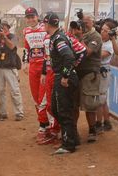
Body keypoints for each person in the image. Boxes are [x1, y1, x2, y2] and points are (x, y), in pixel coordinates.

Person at [45, 12, 78, 155]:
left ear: (47, 24)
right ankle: (72, 138)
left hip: (64, 78)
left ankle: (68, 144)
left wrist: (65, 75)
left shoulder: (58, 39)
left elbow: (69, 57)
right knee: (57, 109)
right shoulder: (57, 37)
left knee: (62, 110)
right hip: (62, 76)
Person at [22, 7, 50, 142]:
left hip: (45, 67)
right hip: (33, 67)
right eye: (28, 17)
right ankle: (44, 124)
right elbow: (26, 49)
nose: (31, 19)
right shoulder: (26, 31)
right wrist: (25, 63)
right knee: (36, 98)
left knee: (44, 97)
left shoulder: (46, 29)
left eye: (33, 17)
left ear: (37, 17)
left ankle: (44, 127)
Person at [76, 14, 103, 143]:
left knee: (90, 104)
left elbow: (87, 52)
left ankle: (92, 130)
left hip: (90, 73)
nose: (84, 25)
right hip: (77, 73)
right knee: (74, 103)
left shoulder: (95, 36)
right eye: (82, 22)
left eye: (86, 22)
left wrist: (79, 38)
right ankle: (73, 131)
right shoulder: (79, 35)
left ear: (92, 22)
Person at [0, 22, 24, 121]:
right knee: (0, 91)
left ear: (8, 28)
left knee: (15, 91)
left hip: (10, 67)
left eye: (4, 28)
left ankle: (19, 113)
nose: (2, 30)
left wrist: (4, 38)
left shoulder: (13, 36)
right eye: (0, 28)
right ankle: (3, 113)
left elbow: (11, 46)